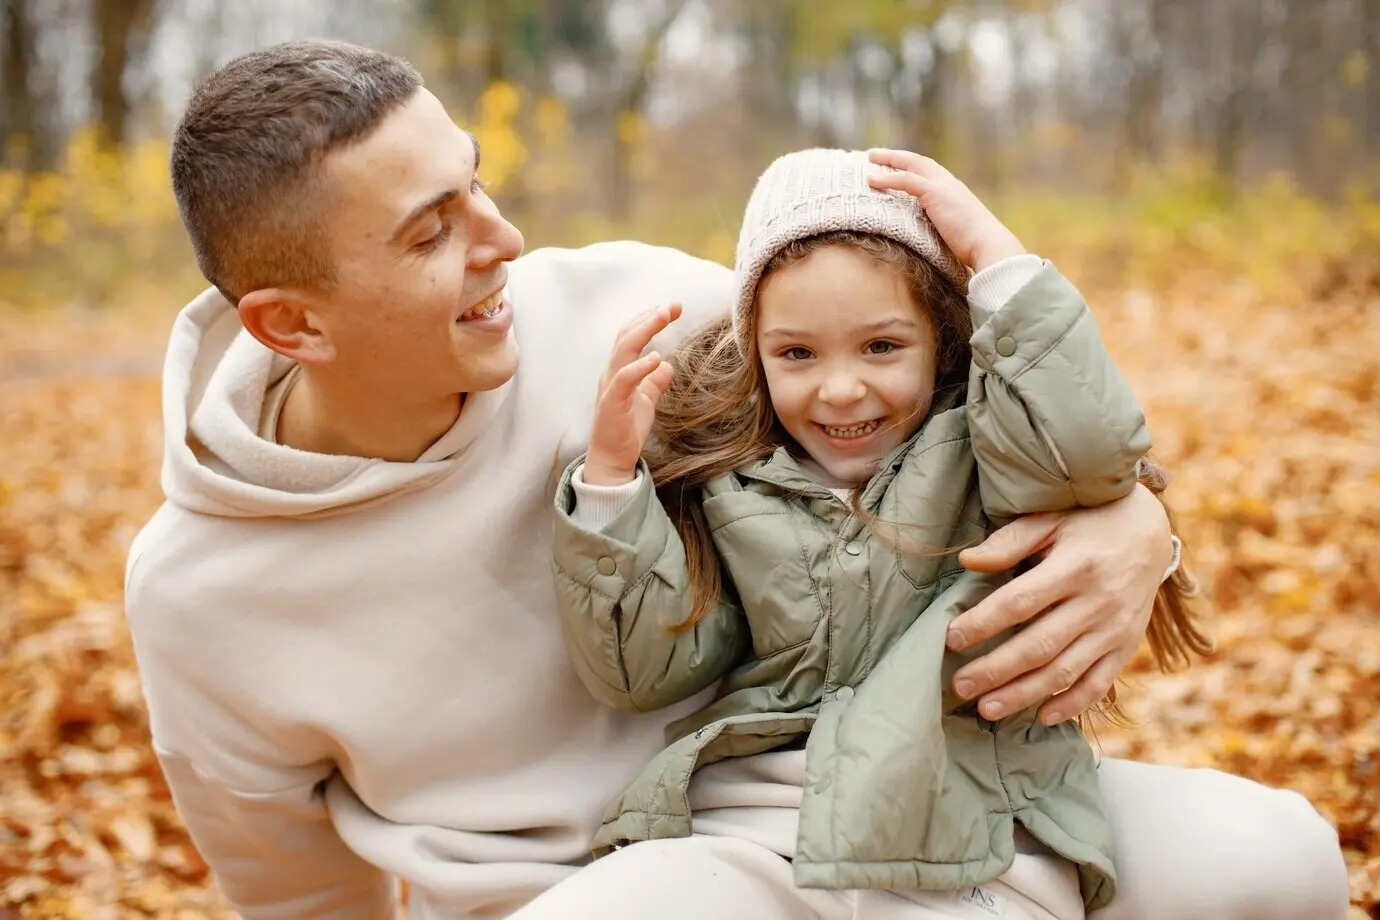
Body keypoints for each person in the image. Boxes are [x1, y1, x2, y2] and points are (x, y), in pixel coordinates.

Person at [121, 38, 1348, 920]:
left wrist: (1137, 526)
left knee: (1278, 857)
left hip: (847, 786)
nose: (504, 238)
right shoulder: (203, 593)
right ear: (292, 324)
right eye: (431, 230)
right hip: (579, 896)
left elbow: (971, 406)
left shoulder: (643, 311)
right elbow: (304, 901)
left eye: (476, 182)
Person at [548, 146, 1172, 920]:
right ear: (755, 355)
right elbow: (644, 671)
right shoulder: (730, 479)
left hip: (969, 826)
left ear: (942, 338)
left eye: (882, 346)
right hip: (749, 817)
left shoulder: (991, 446)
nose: (841, 390)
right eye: (797, 354)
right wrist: (611, 480)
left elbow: (1088, 456)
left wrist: (1000, 264)